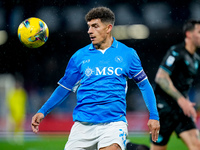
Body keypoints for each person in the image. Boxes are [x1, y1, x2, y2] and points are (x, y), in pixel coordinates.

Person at [31, 6, 160, 150]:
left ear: (108, 28)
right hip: (82, 126)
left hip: (113, 124)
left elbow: (144, 85)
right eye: (89, 27)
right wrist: (43, 110)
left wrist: (154, 115)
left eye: (95, 26)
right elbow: (64, 89)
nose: (89, 31)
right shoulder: (79, 57)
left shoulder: (128, 54)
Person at [151, 20, 200, 150]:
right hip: (165, 108)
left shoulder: (196, 59)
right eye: (199, 32)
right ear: (188, 34)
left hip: (181, 110)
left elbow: (183, 86)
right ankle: (131, 146)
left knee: (197, 145)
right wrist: (181, 100)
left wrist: (187, 104)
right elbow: (161, 77)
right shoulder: (176, 52)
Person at [6, 73, 27, 144]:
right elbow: (9, 102)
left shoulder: (22, 93)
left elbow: (23, 104)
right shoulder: (11, 92)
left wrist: (23, 113)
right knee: (11, 127)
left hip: (20, 113)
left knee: (19, 127)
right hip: (12, 113)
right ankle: (10, 140)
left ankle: (18, 140)